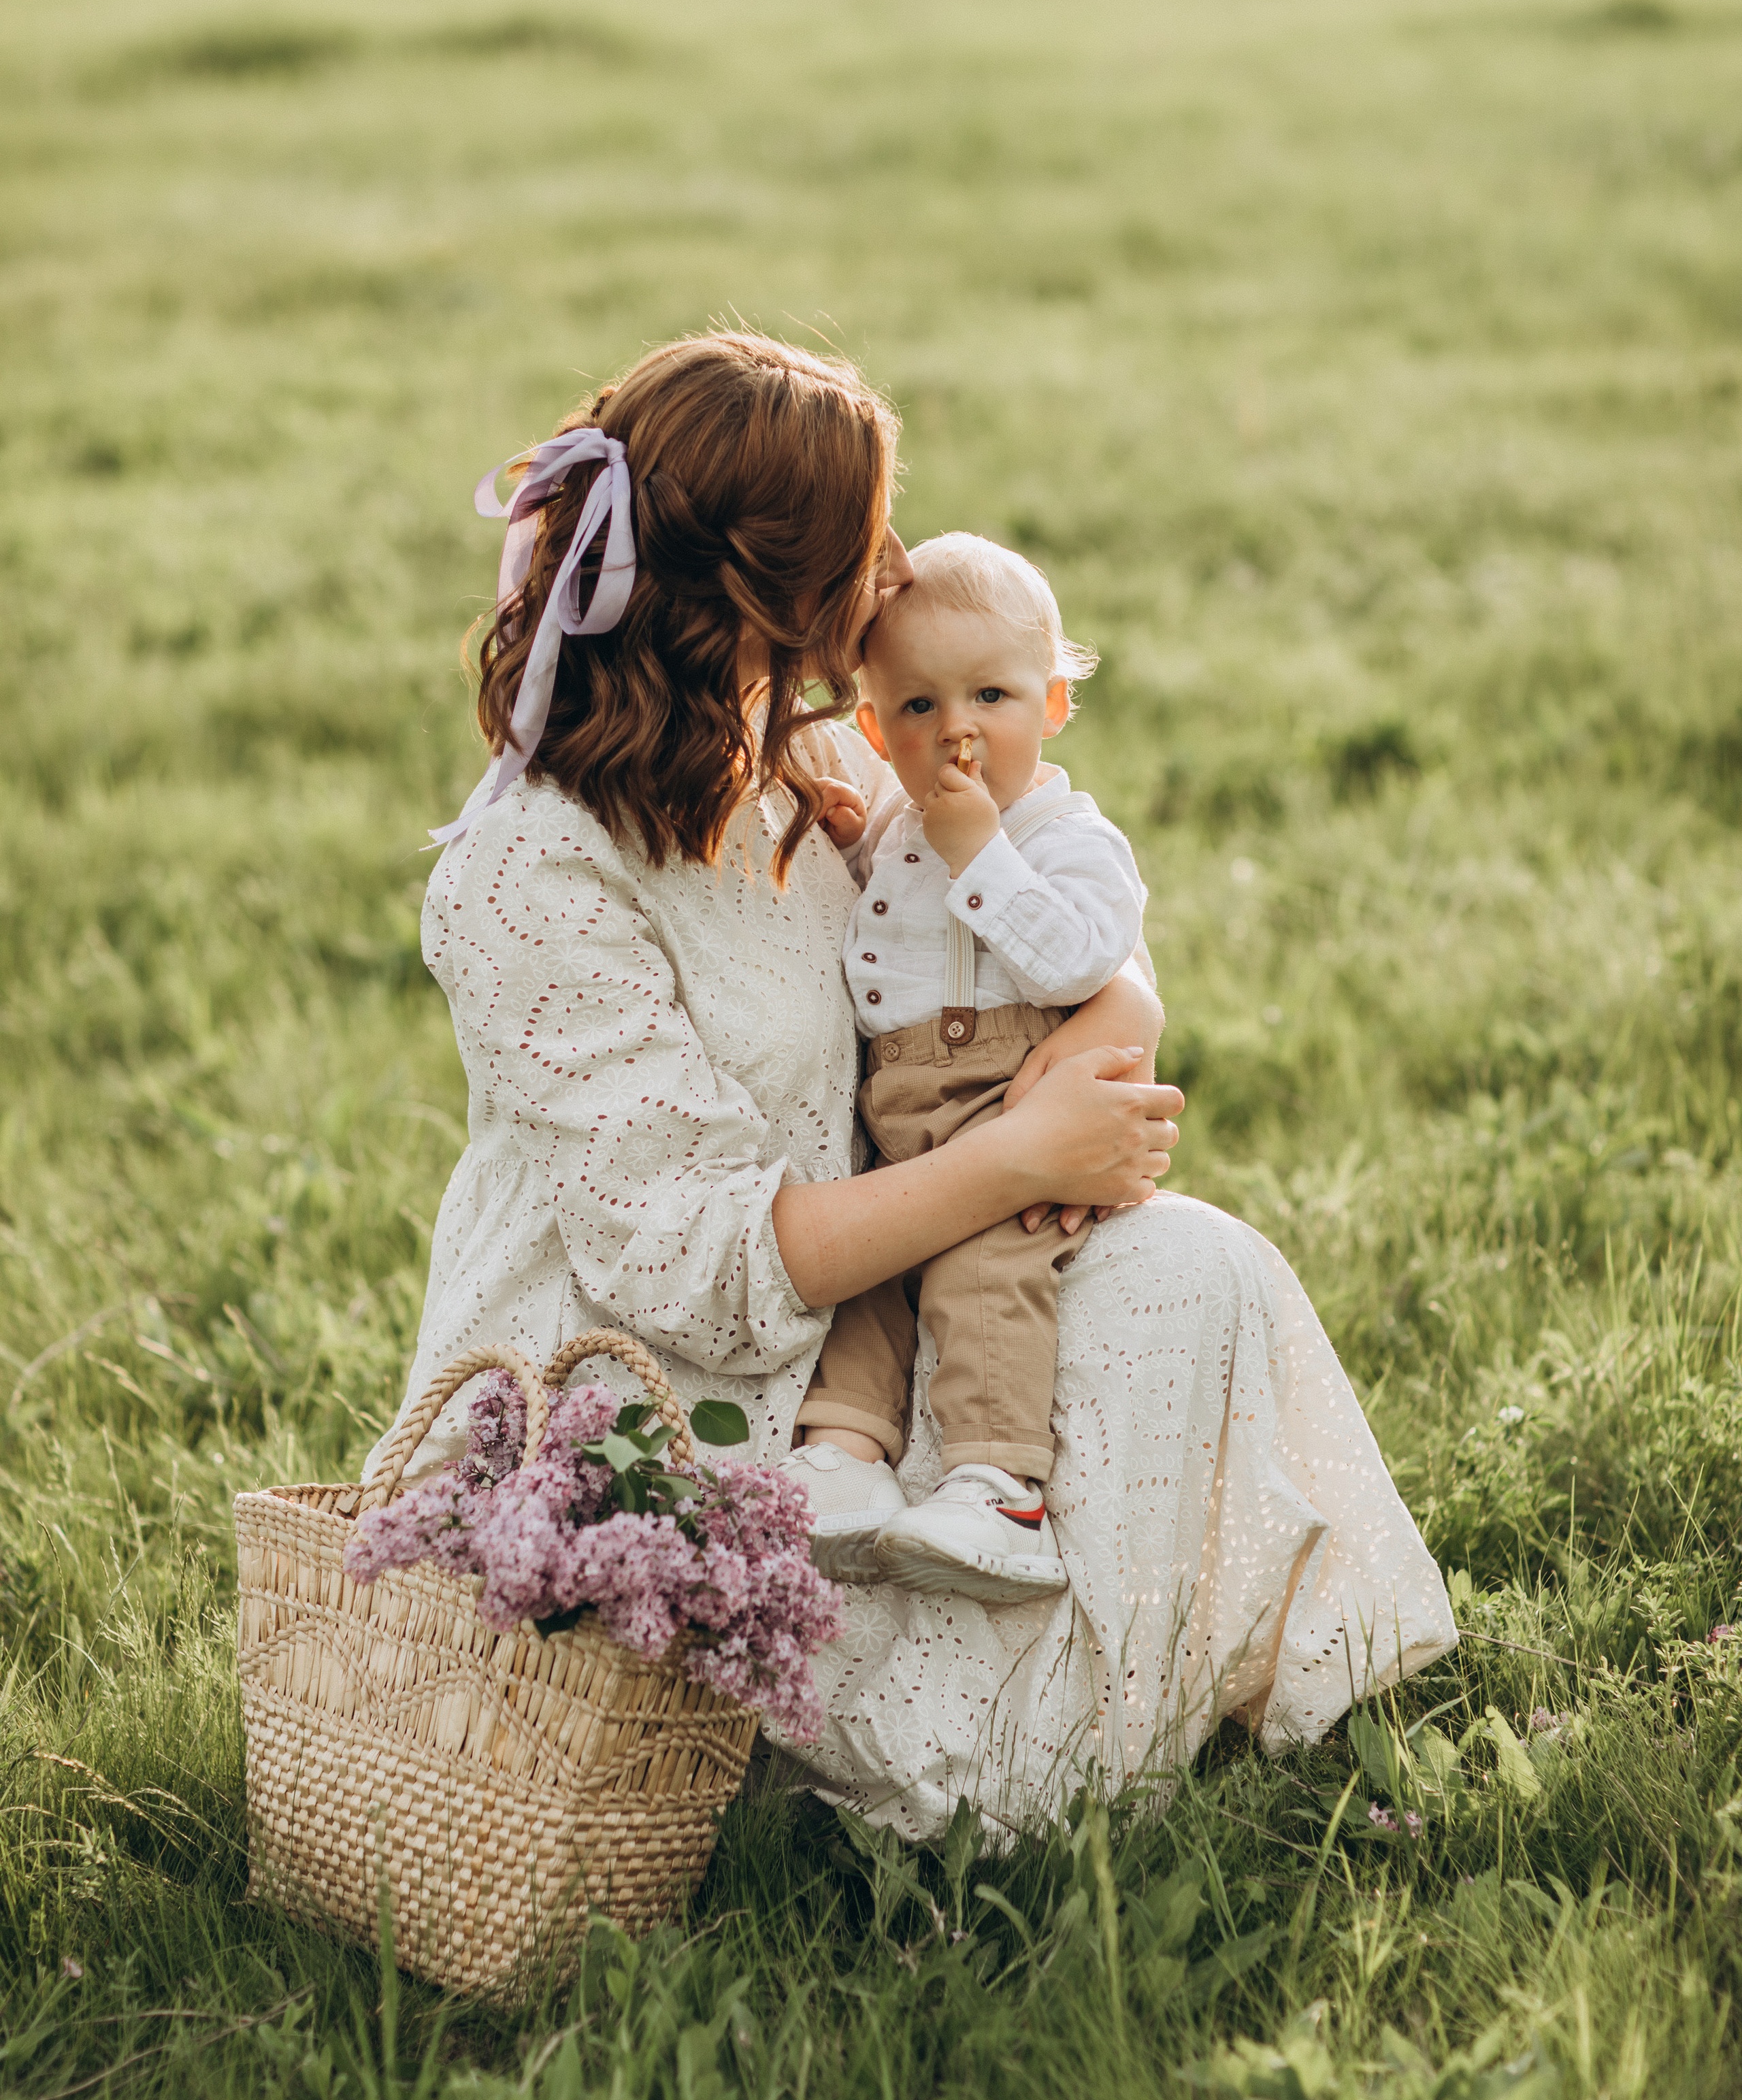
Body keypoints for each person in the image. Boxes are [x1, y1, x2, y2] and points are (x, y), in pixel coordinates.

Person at [363, 327, 1455, 1840]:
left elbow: (1079, 954)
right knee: (993, 1776)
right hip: (660, 1403)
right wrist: (1014, 1164)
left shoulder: (820, 765)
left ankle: (1210, 1686)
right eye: (860, 542)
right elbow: (701, 1276)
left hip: (875, 1306)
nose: (891, 573)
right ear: (766, 588)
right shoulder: (529, 874)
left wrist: (1085, 1070)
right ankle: (890, 1754)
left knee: (1198, 1271)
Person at [786, 531, 1147, 1605]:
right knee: (869, 1282)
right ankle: (842, 1463)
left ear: (1054, 705)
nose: (958, 735)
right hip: (893, 1104)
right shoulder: (905, 824)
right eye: (918, 709)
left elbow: (1084, 955)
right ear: (872, 725)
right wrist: (849, 840)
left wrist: (980, 854)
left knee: (987, 1279)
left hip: (1003, 1093)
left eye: (991, 695)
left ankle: (1001, 1491)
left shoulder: (1064, 834)